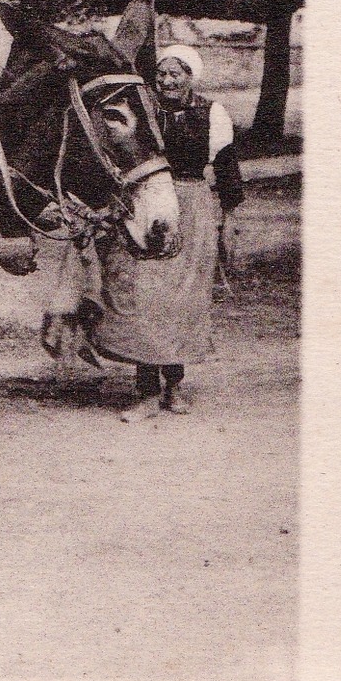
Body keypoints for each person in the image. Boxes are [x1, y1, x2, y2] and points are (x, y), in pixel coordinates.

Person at [94, 42, 245, 418]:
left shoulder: (212, 113)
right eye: (161, 74)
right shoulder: (143, 110)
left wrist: (228, 218)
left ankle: (175, 385)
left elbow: (227, 168)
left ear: (190, 78)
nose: (166, 81)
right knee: (143, 298)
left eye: (174, 74)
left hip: (192, 211)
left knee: (181, 302)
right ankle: (145, 391)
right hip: (147, 204)